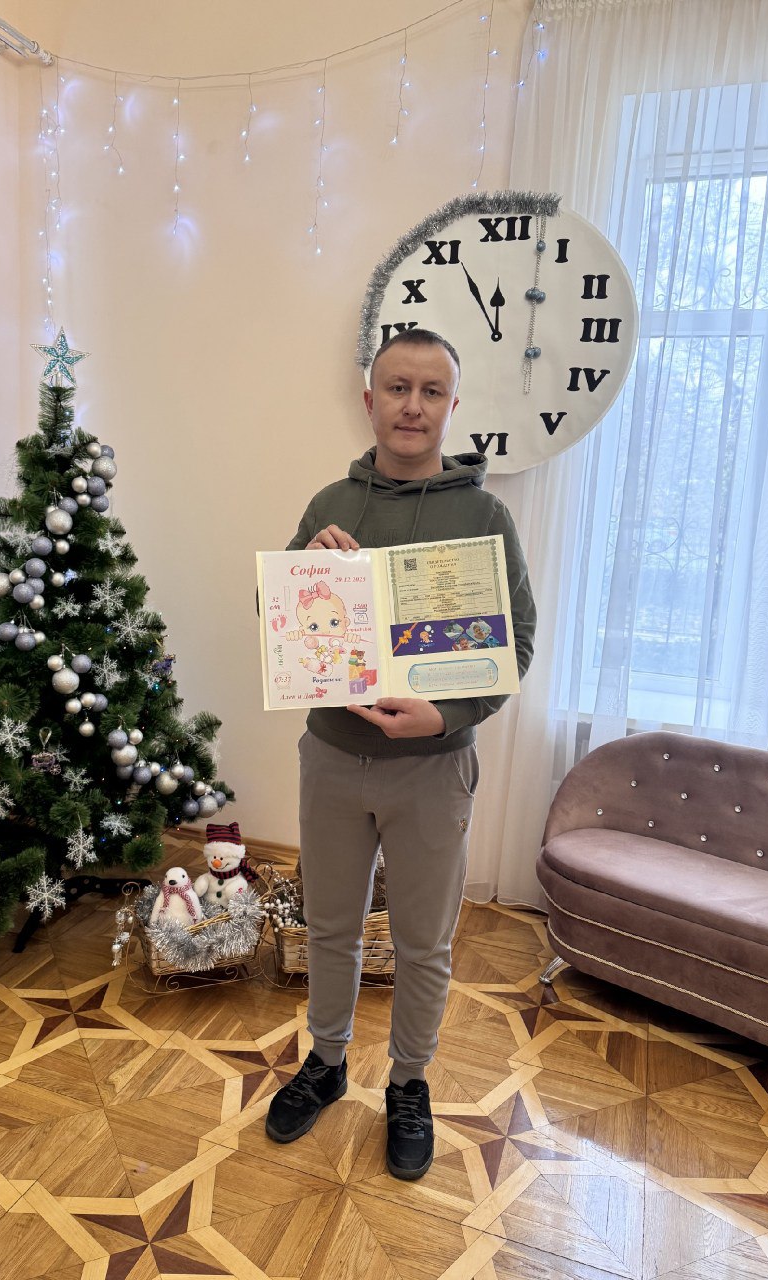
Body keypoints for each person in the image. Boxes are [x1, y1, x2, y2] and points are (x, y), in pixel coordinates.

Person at [265, 328, 536, 1180]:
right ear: (370, 400)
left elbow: (517, 642)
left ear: (452, 407)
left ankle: (409, 1083)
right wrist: (302, 571)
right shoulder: (329, 504)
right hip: (331, 759)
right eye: (397, 388)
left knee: (423, 942)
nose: (412, 406)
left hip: (434, 768)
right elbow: (284, 626)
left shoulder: (484, 517)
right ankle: (326, 1062)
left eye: (431, 391)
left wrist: (446, 715)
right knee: (330, 926)